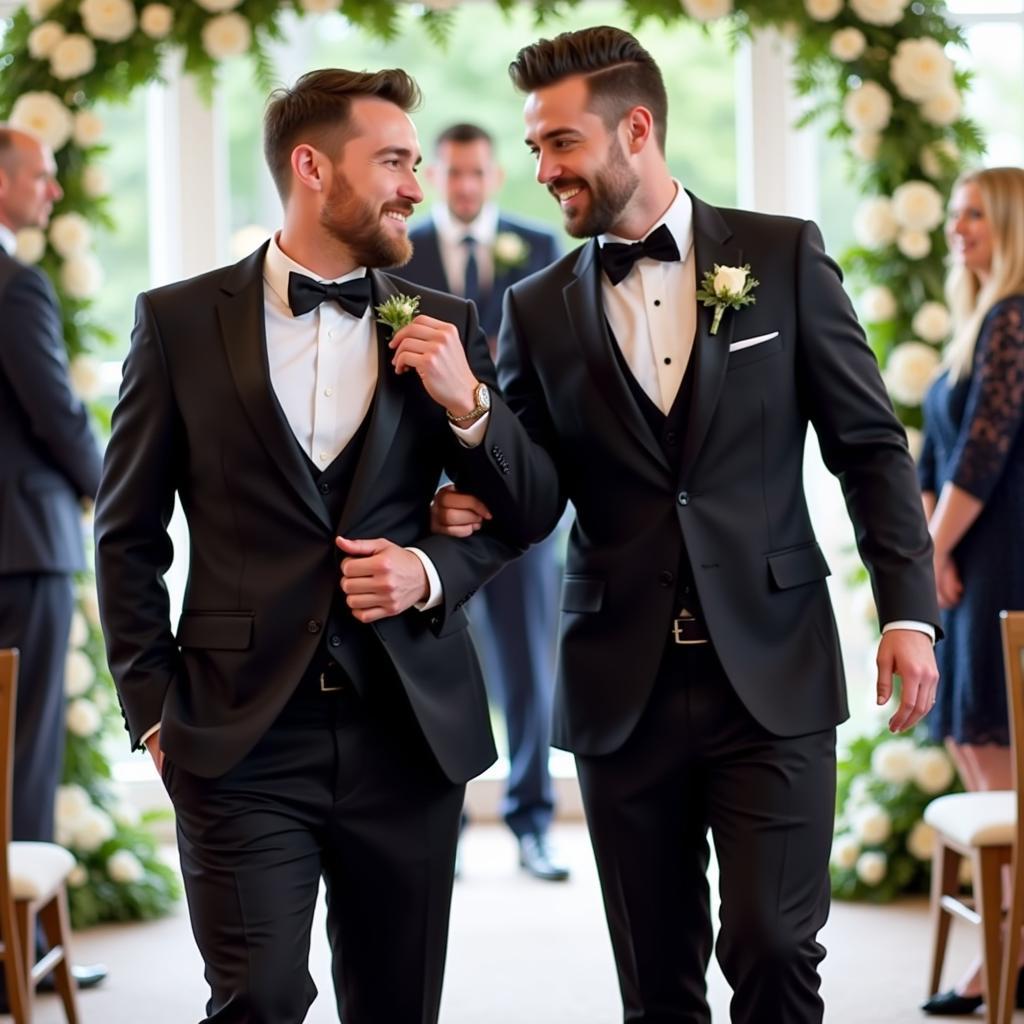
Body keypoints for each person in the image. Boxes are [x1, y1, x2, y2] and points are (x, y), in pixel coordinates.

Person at [432, 26, 941, 1024]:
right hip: (622, 682)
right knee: (657, 979)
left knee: (773, 940)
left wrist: (907, 613)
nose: (542, 170)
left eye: (560, 143)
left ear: (636, 128)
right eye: (533, 147)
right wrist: (474, 432)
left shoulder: (782, 254)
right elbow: (531, 498)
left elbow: (870, 448)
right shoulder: (535, 307)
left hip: (773, 669)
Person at [95, 69, 556, 1024]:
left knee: (396, 1006)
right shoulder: (179, 322)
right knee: (257, 998)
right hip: (237, 731)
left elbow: (525, 511)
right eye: (393, 162)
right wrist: (153, 713)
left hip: (408, 730)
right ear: (311, 167)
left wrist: (441, 513)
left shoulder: (448, 324)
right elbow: (126, 534)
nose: (417, 189)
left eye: (418, 164)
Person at [401, 122, 568, 881]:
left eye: (476, 172)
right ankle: (446, 825)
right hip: (431, 503)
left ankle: (532, 821)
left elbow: (559, 379)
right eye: (453, 173)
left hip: (523, 495)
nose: (464, 185)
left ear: (494, 174)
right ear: (437, 175)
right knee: (439, 662)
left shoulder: (540, 249)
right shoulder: (403, 253)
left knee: (532, 663)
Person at [0, 126, 107, 994]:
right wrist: (117, 488)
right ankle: (11, 958)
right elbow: (55, 413)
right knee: (21, 755)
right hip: (22, 548)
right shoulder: (14, 284)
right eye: (40, 175)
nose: (53, 191)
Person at [918, 166, 1024, 1017]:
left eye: (976, 217)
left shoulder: (1017, 320)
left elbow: (983, 458)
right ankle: (1009, 945)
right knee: (970, 743)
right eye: (954, 216)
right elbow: (934, 456)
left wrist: (930, 551)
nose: (958, 229)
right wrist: (933, 546)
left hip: (1004, 557)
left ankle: (1006, 958)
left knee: (1001, 758)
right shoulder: (975, 322)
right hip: (963, 557)